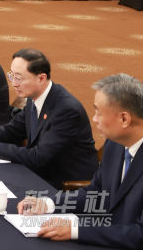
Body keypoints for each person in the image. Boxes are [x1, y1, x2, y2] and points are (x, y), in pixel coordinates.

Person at [18, 74, 142, 247]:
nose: (94, 119)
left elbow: (139, 233)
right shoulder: (115, 145)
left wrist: (75, 230)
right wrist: (48, 204)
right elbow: (96, 192)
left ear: (124, 119)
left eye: (99, 112)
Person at [0, 49, 98, 189]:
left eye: (19, 78)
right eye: (12, 76)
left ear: (41, 78)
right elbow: (12, 129)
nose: (14, 83)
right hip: (41, 171)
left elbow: (38, 157)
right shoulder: (34, 97)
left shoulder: (66, 110)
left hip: (65, 184)